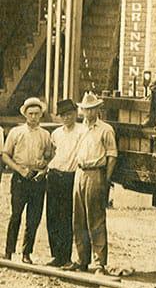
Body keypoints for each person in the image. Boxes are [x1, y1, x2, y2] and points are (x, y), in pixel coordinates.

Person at [63, 93, 117, 275]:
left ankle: (99, 262)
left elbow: (112, 156)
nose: (88, 112)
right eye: (85, 109)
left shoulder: (105, 129)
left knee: (96, 219)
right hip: (80, 172)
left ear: (97, 109)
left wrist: (106, 179)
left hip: (96, 174)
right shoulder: (80, 129)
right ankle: (81, 259)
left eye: (92, 109)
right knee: (78, 218)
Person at [2, 97, 52, 264]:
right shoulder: (16, 132)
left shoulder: (45, 135)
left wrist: (43, 168)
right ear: (25, 114)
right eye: (30, 114)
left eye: (37, 114)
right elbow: (5, 155)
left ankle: (26, 253)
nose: (33, 117)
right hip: (20, 178)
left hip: (37, 179)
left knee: (33, 218)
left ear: (40, 114)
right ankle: (8, 251)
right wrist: (20, 170)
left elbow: (49, 157)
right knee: (16, 215)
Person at [45, 99, 86, 267]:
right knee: (52, 216)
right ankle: (57, 255)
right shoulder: (56, 133)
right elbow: (52, 152)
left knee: (66, 216)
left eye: (69, 114)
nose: (66, 118)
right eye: (63, 115)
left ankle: (66, 256)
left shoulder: (82, 131)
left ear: (76, 114)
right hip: (54, 175)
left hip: (70, 177)